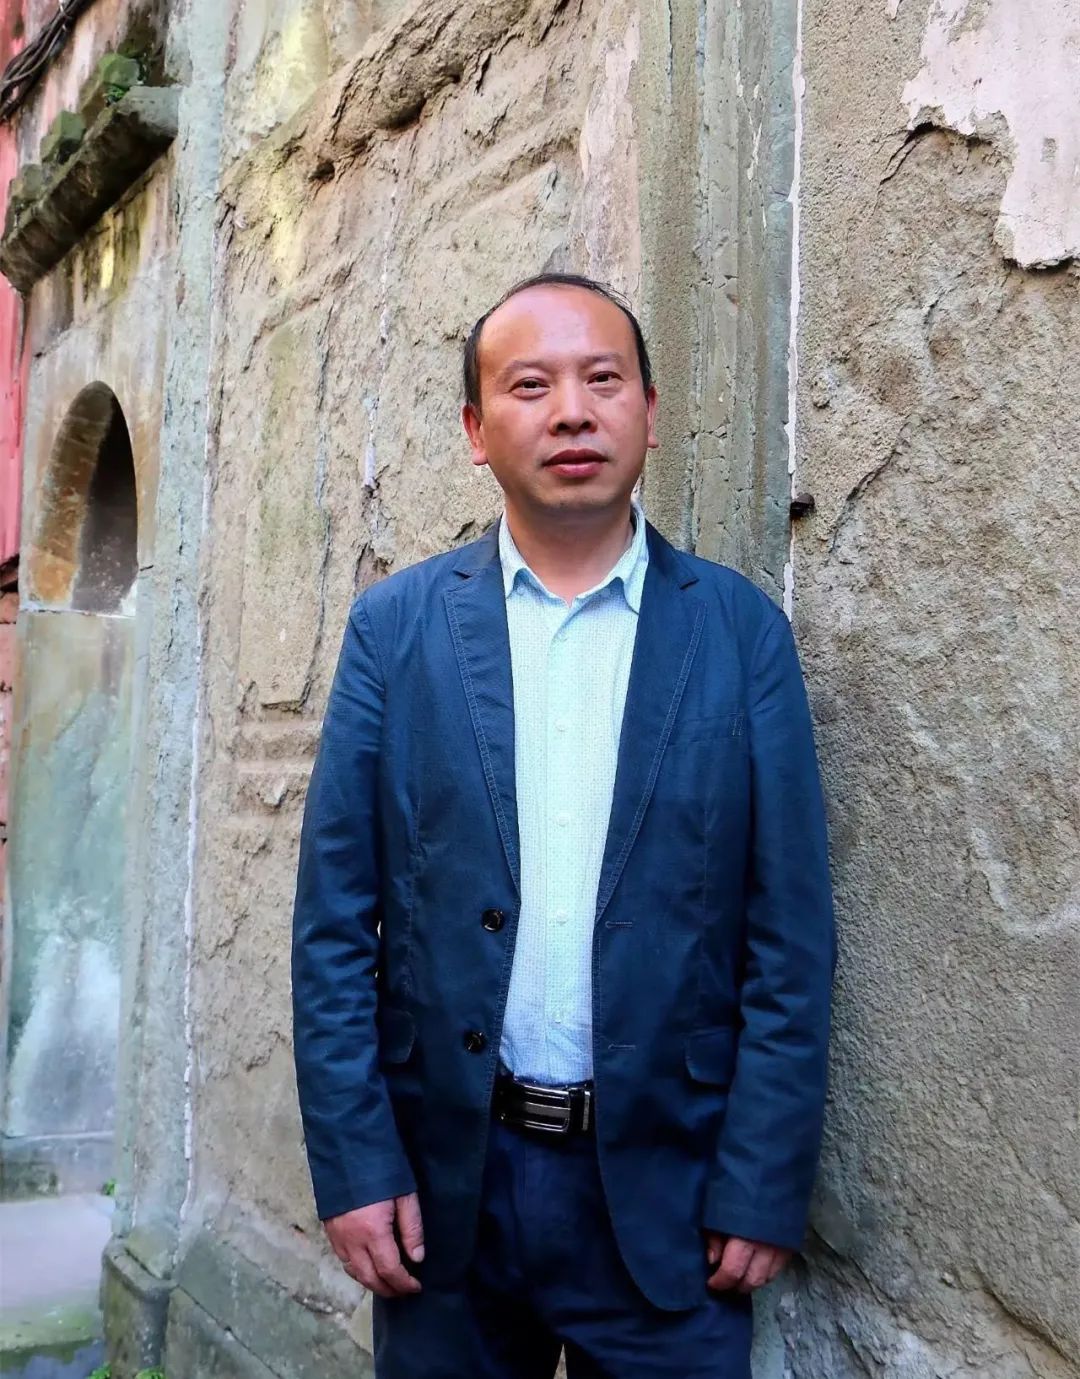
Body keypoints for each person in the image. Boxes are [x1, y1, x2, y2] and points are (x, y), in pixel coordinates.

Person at [291, 272, 835, 1378]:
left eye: (603, 380)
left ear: (649, 408)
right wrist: (355, 1162)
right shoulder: (396, 632)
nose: (573, 412)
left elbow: (789, 936)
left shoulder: (740, 636)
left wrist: (762, 1177)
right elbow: (334, 926)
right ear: (475, 430)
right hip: (448, 1186)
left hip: (670, 1193)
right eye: (531, 386)